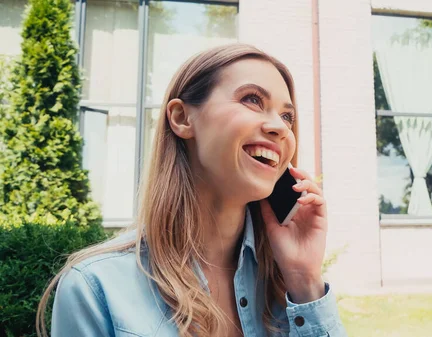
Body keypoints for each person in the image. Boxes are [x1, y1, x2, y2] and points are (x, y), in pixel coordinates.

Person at [36, 44, 347, 337]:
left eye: (287, 116)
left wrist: (305, 280)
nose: (279, 127)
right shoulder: (94, 288)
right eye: (252, 99)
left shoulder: (290, 287)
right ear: (182, 118)